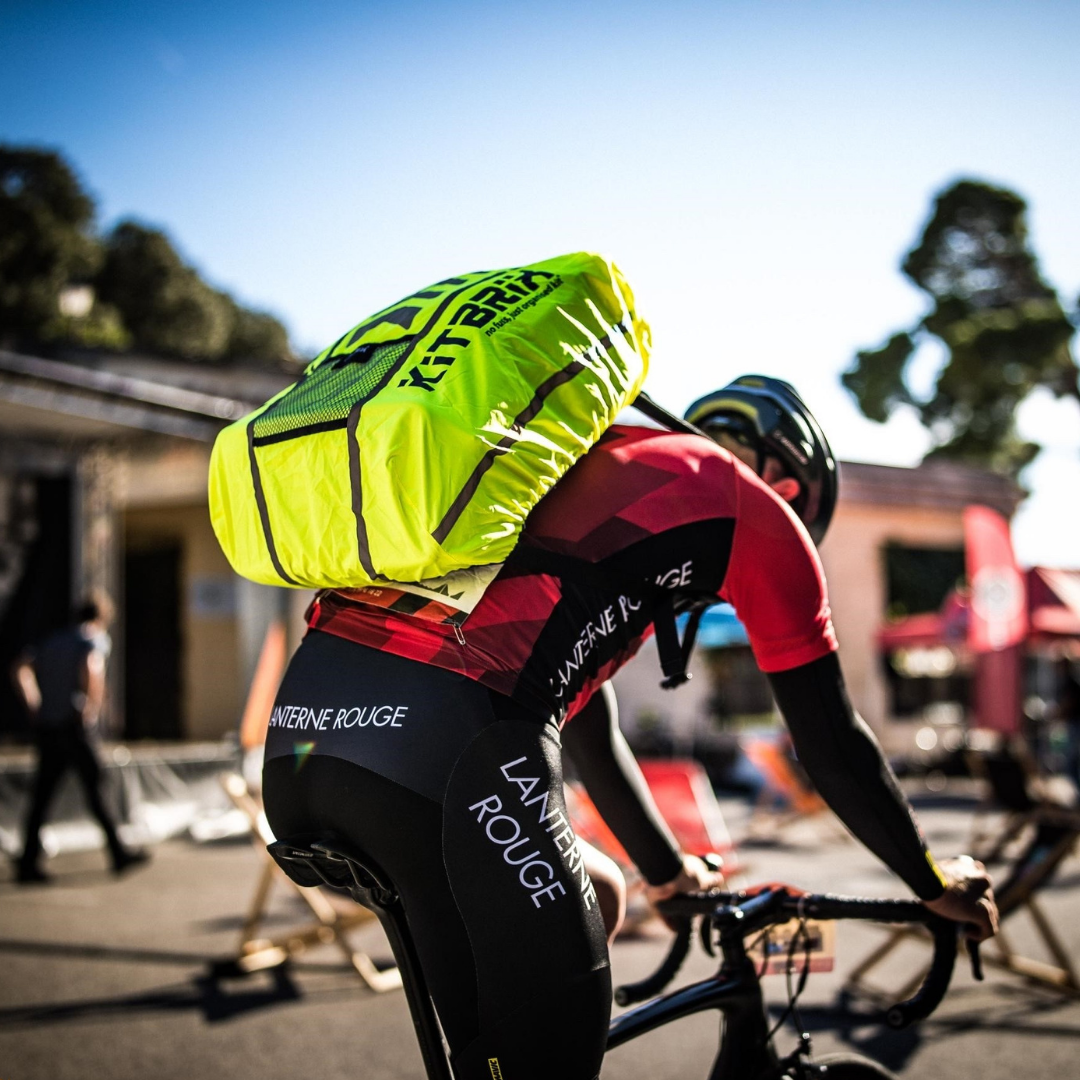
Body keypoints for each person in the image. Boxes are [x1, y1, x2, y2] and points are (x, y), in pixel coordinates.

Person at [261, 375, 997, 1080]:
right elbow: (831, 745)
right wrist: (932, 883)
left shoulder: (592, 465)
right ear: (794, 489)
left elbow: (589, 730)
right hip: (439, 765)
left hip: (298, 752)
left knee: (599, 897)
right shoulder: (754, 512)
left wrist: (667, 875)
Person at [12, 594, 147, 883]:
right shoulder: (91, 639)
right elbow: (91, 667)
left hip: (49, 726)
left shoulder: (52, 641)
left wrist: (35, 704)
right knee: (96, 787)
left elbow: (21, 668)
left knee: (43, 795)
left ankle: (27, 861)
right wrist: (92, 707)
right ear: (101, 617)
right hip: (73, 726)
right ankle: (118, 853)